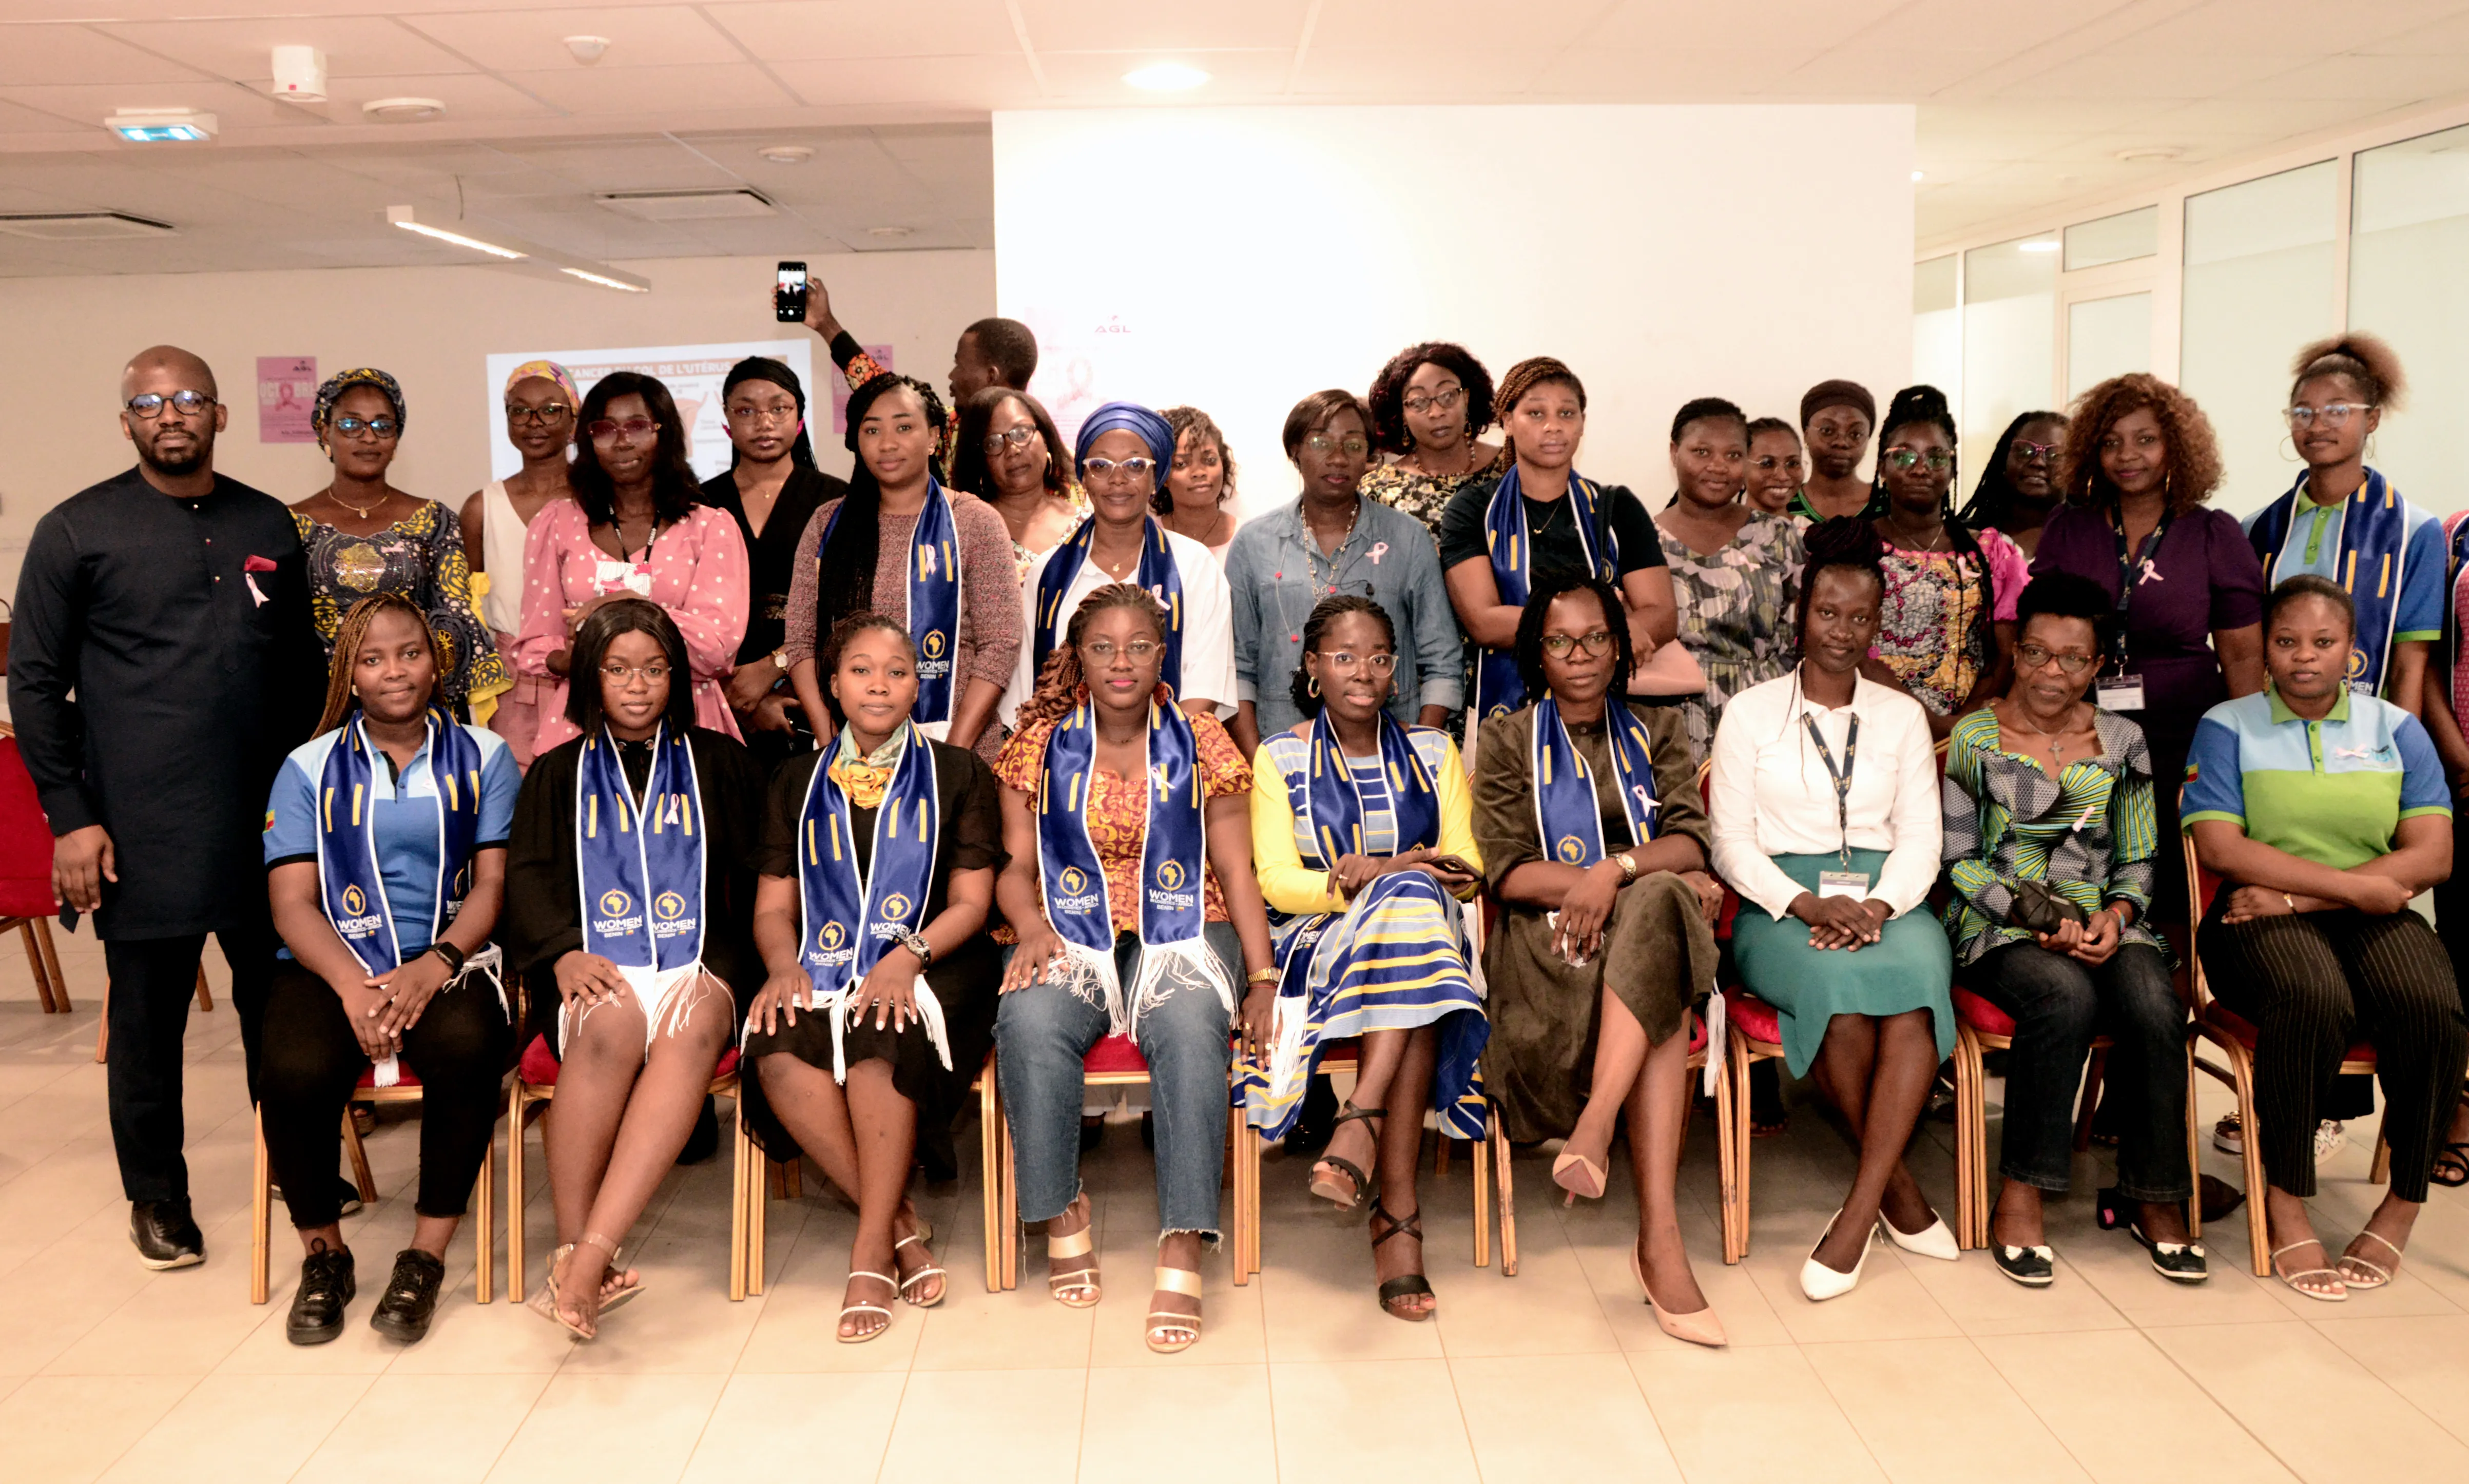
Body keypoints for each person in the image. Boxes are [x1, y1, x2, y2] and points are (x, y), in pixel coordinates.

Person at [10, 345, 319, 1271]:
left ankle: (294, 1165)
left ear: (219, 414)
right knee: (149, 1027)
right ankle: (158, 1198)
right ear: (126, 422)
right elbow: (34, 683)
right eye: (149, 404)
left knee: (280, 1011)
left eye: (187, 399)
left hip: (267, 823)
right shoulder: (76, 530)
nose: (170, 415)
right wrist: (71, 816)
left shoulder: (265, 520)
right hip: (140, 827)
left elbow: (301, 667)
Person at [991, 584, 1276, 1354]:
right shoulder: (1037, 744)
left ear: (1162, 655)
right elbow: (1014, 869)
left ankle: (1183, 1240)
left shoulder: (1204, 740)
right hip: (1064, 926)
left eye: (1139, 647)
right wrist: (1028, 928)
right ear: (1078, 658)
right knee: (1029, 1020)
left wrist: (1260, 979)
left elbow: (1236, 869)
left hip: (1187, 925)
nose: (1121, 663)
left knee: (1188, 1027)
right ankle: (1061, 1209)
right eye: (1102, 648)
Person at [2183, 574, 2467, 1300]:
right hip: (2251, 919)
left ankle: (2401, 1204)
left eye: (2322, 642)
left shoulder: (2395, 729)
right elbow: (2220, 847)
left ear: (2351, 650)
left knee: (2432, 1009)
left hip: (2342, 910)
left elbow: (2433, 854)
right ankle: (2285, 1198)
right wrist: (2347, 892)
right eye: (2286, 642)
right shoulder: (2227, 724)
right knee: (2312, 998)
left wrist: (2307, 897)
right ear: (2266, 648)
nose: (2303, 656)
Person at [259, 594, 521, 1343]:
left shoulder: (485, 755)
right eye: (372, 659)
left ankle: (424, 1257)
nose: (395, 671)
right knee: (291, 1067)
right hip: (331, 962)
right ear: (349, 673)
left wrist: (436, 964)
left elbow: (494, 885)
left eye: (410, 653)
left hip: (449, 959)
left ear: (436, 662)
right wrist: (354, 989)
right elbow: (291, 901)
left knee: (468, 1050)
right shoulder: (306, 767)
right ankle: (324, 1256)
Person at [1473, 572, 1727, 1344]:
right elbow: (1505, 870)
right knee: (1662, 937)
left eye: (1594, 639)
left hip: (1635, 928)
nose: (1579, 655)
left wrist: (1612, 873)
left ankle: (1602, 1139)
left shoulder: (1658, 729)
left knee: (1658, 908)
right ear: (1536, 654)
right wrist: (1611, 881)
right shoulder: (1506, 738)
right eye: (1559, 641)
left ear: (1619, 648)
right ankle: (1657, 1241)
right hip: (1550, 952)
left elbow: (1691, 840)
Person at [1710, 518, 1958, 1301]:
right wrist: (1808, 904)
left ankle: (1858, 1212)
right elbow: (1728, 845)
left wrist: (1878, 905)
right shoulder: (1750, 713)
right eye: (1826, 613)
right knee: (1840, 1002)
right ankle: (1898, 1194)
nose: (1841, 631)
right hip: (1779, 903)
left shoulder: (1900, 715)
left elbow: (1922, 837)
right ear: (1800, 616)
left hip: (1890, 898)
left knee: (1915, 992)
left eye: (1859, 617)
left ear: (1877, 624)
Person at [501, 600, 766, 1337]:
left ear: (677, 677)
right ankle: (576, 1246)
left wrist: (738, 964)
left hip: (699, 957)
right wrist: (561, 952)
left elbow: (761, 879)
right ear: (590, 677)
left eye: (654, 669)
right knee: (609, 1024)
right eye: (618, 670)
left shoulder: (722, 763)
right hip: (592, 957)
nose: (638, 685)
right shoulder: (556, 773)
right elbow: (528, 879)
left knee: (689, 1030)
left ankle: (587, 1260)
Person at [742, 614, 1002, 1341]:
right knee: (776, 1044)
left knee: (878, 1032)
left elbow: (971, 904)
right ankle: (900, 1231)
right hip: (823, 961)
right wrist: (782, 965)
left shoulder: (958, 772)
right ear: (832, 684)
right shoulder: (795, 779)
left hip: (939, 959)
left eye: (896, 671)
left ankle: (866, 1254)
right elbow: (773, 908)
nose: (879, 685)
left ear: (918, 687)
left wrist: (905, 957)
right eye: (860, 669)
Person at [1941, 574, 2198, 1287]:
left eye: (2071, 658)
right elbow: (1957, 859)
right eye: (2034, 653)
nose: (2049, 673)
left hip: (2103, 919)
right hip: (1998, 923)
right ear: (2015, 652)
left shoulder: (2123, 740)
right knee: (2064, 997)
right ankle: (2022, 1194)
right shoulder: (1974, 736)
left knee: (2154, 1002)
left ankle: (2154, 1197)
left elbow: (2140, 856)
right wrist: (2033, 917)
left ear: (2097, 665)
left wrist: (2117, 917)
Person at [1240, 595, 1487, 1321]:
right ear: (1313, 667)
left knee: (1411, 912)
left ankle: (1362, 1117)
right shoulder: (1280, 757)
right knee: (1412, 933)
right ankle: (1397, 1213)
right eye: (1344, 657)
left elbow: (1468, 869)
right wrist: (1364, 881)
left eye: (1379, 658)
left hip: (1425, 932)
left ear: (1395, 669)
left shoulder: (1434, 751)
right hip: (1318, 939)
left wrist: (1390, 873)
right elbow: (1274, 882)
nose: (1363, 673)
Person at [2032, 373, 2264, 928]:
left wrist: (2251, 751)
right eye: (2111, 442)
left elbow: (2242, 658)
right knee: (2084, 873)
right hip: (2083, 733)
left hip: (2184, 739)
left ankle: (2171, 969)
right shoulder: (2069, 527)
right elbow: (2039, 637)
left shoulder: (2212, 533)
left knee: (2172, 884)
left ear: (2174, 448)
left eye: (2145, 440)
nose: (2127, 456)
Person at [1439, 356, 1678, 758]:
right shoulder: (1473, 509)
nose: (1553, 426)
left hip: (1608, 710)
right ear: (1508, 422)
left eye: (1567, 413)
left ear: (1582, 424)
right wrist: (1608, 628)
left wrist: (1588, 633)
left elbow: (1662, 614)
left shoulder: (1616, 506)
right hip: (1510, 714)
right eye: (1536, 413)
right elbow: (1484, 621)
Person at [781, 374, 1020, 765]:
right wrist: (828, 739)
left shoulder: (974, 521)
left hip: (959, 748)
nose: (888, 444)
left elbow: (1000, 643)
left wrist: (953, 756)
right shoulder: (828, 524)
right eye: (872, 430)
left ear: (933, 437)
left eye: (904, 427)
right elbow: (802, 642)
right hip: (848, 753)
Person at [514, 372, 750, 756]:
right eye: (605, 429)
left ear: (664, 432)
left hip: (686, 723)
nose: (622, 442)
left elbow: (716, 650)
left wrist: (626, 606)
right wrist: (570, 660)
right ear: (588, 439)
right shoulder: (557, 523)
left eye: (637, 426)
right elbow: (536, 644)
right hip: (583, 726)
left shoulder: (711, 527)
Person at [1226, 389, 1463, 756]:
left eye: (1353, 445)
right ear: (1295, 452)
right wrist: (1260, 764)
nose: (1337, 458)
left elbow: (1442, 661)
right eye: (1321, 443)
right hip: (1283, 753)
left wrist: (1415, 755)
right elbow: (1236, 669)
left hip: (1391, 755)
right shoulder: (1254, 543)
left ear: (1368, 456)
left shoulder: (1407, 538)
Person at [1002, 401, 1239, 728]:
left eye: (1135, 465)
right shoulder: (1046, 575)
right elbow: (1028, 693)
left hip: (1171, 751)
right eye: (1101, 466)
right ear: (1084, 478)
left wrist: (1151, 752)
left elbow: (1204, 687)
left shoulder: (1196, 566)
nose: (1118, 479)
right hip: (1060, 752)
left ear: (1156, 478)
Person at [2246, 335, 2441, 714]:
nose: (2317, 425)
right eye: (2303, 413)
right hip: (2273, 726)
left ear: (2372, 419)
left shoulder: (2415, 531)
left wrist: (2399, 745)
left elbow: (2409, 666)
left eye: (2337, 411)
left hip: (2367, 731)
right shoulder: (2256, 530)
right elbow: (2247, 652)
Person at [292, 368, 505, 715]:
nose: (368, 437)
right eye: (351, 424)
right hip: (320, 705)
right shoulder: (290, 523)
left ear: (396, 438)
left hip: (413, 702)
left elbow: (453, 618)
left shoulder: (435, 520)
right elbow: (285, 627)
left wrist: (408, 684)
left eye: (383, 425)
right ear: (324, 431)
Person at [698, 357, 850, 772]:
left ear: (799, 418)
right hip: (717, 698)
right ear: (727, 420)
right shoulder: (696, 503)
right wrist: (736, 693)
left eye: (778, 408)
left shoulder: (836, 500)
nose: (764, 422)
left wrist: (774, 668)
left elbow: (848, 605)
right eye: (746, 410)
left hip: (815, 694)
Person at [1866, 385, 2026, 739]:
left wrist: (1964, 721)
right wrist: (1931, 722)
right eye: (1904, 457)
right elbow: (1853, 649)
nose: (1921, 468)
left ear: (1953, 468)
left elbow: (2007, 653)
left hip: (1969, 730)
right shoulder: (1856, 546)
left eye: (1937, 457)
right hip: (1877, 726)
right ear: (1881, 467)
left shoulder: (1990, 550)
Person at [1654, 397, 1806, 753]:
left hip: (1766, 721)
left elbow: (1800, 639)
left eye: (1733, 455)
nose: (1718, 466)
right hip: (1670, 727)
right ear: (1674, 453)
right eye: (1702, 452)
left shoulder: (1779, 537)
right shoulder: (1642, 540)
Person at [462, 361, 580, 768]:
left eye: (550, 410)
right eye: (520, 410)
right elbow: (470, 607)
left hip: (583, 674)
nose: (534, 422)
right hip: (509, 687)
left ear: (574, 420)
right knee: (516, 792)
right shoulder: (482, 507)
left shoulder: (598, 500)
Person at [791, 272, 1036, 409]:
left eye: (960, 365)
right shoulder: (949, 430)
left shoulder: (1045, 450)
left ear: (991, 376)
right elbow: (882, 388)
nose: (951, 375)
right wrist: (825, 325)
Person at [1362, 341, 1501, 542]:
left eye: (1448, 396)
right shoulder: (1377, 491)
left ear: (1466, 398)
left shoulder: (1511, 467)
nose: (1436, 412)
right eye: (1418, 402)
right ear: (1402, 415)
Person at [949, 386, 1086, 576]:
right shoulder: (966, 536)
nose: (1013, 450)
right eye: (994, 442)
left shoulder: (1089, 526)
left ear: (1045, 439)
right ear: (980, 460)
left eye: (1022, 434)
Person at [1957, 411, 2068, 559]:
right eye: (2025, 451)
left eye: (2055, 455)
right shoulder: (1961, 538)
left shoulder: (2088, 541)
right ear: (2004, 458)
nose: (2038, 462)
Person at [1157, 405, 1238, 561]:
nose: (1199, 472)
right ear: (1163, 475)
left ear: (1223, 464)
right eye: (1181, 464)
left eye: (1209, 460)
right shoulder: (1148, 538)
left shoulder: (1247, 538)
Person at [1795, 380, 1879, 522]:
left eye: (1855, 434)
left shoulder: (1891, 506)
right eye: (1827, 431)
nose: (1841, 442)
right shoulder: (1782, 505)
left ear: (1868, 438)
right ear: (1806, 434)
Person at [1744, 416, 1806, 517]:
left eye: (1793, 463)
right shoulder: (1722, 526)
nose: (1783, 477)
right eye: (1767, 464)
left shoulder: (1814, 527)